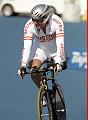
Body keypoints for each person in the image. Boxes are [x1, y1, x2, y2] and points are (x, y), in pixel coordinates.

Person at [18, 4, 67, 88]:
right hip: (41, 50)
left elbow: (60, 44)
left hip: (55, 51)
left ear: (46, 18)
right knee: (34, 72)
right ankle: (44, 93)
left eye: (39, 20)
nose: (35, 23)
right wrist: (23, 65)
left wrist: (58, 62)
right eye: (34, 20)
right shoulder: (29, 26)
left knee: (60, 65)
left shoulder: (56, 21)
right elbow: (27, 47)